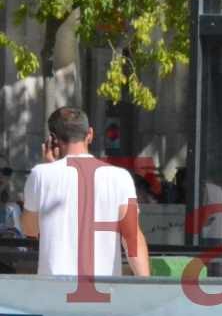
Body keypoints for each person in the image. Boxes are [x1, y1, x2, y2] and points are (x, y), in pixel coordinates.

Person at [21, 107, 149, 278]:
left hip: (52, 290)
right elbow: (132, 238)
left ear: (53, 139)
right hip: (103, 290)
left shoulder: (40, 175)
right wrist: (145, 284)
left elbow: (31, 230)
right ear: (90, 134)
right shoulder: (120, 177)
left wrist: (49, 166)